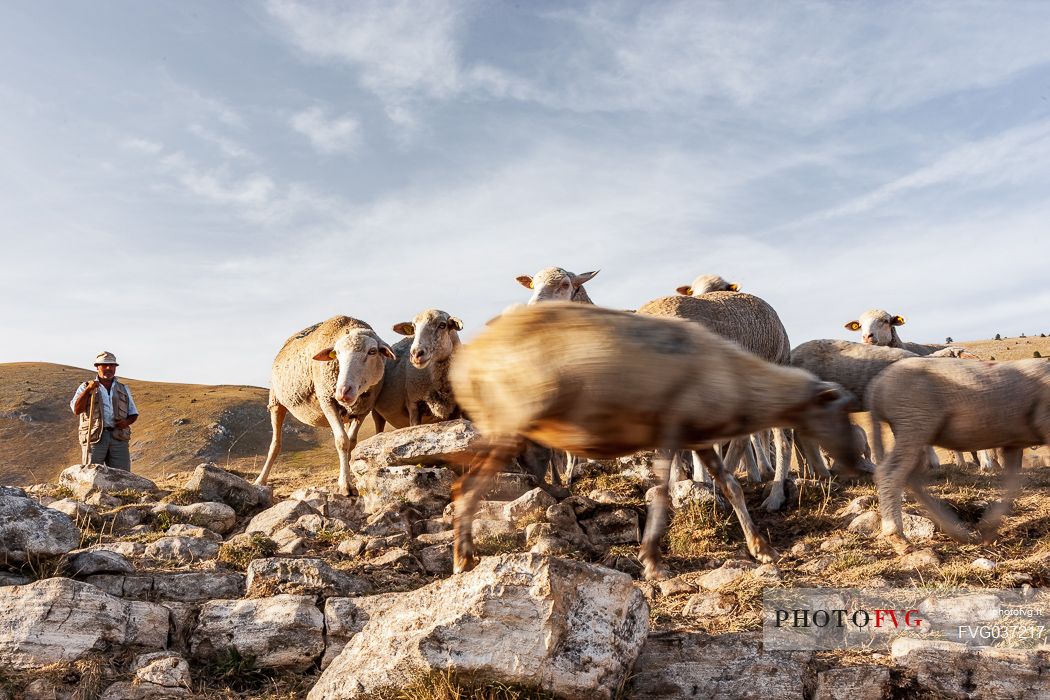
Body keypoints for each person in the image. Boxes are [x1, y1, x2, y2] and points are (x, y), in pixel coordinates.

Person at [70, 351, 139, 470]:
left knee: (123, 475)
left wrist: (126, 423)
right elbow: (77, 410)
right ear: (97, 367)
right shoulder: (85, 386)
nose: (109, 368)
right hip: (95, 437)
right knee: (91, 473)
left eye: (112, 365)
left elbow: (133, 413)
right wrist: (88, 390)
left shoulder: (123, 388)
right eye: (104, 365)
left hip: (118, 437)